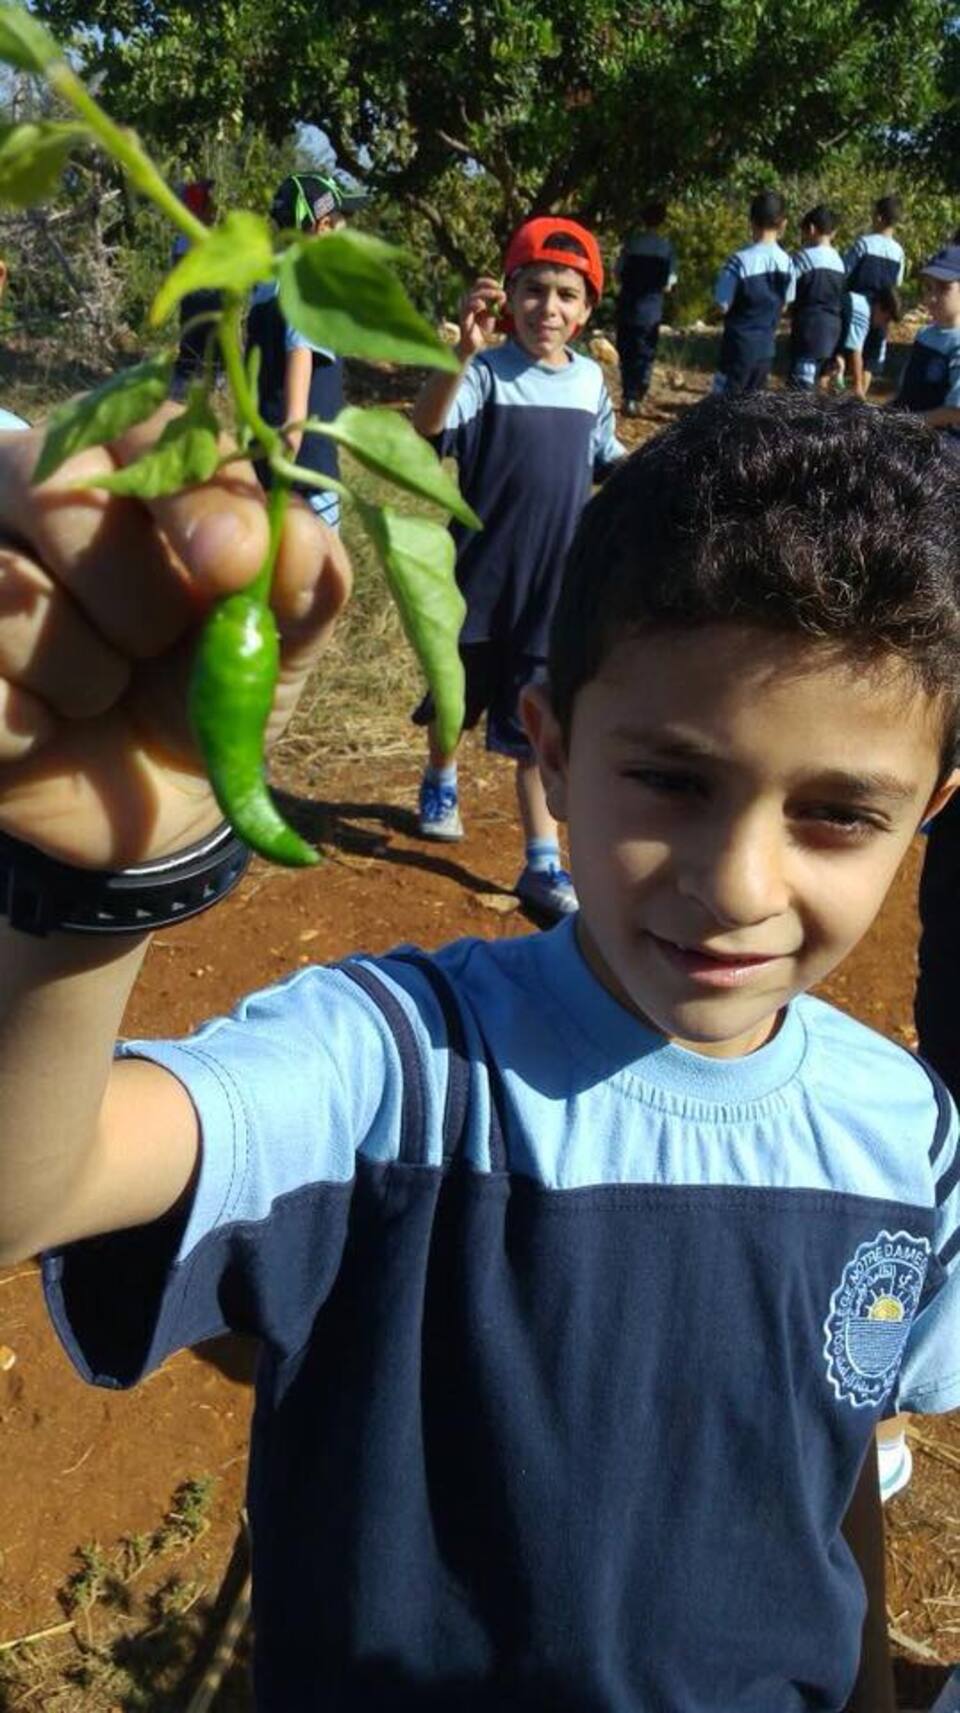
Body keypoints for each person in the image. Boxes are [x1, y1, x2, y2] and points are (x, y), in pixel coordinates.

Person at [2, 393, 960, 1711]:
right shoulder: (396, 1066)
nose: (739, 885)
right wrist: (89, 881)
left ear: (929, 812)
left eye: (840, 814)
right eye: (673, 779)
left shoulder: (903, 1124)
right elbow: (32, 1186)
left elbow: (845, 1449)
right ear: (553, 754)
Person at [410, 215, 625, 920]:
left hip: (552, 588)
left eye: (568, 294)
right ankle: (441, 772)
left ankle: (541, 861)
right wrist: (461, 356)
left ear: (588, 307)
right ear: (506, 295)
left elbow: (604, 456)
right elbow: (428, 429)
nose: (550, 309)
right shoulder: (487, 375)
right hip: (477, 577)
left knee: (541, 724)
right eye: (535, 290)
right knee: (454, 699)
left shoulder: (591, 380)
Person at [246, 171, 366, 532]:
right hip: (305, 473)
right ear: (324, 227)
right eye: (344, 224)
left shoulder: (267, 286)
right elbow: (299, 368)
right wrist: (289, 454)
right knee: (317, 581)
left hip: (263, 460)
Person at [712, 189, 794, 397]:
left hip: (737, 348)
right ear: (783, 223)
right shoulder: (788, 263)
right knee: (752, 408)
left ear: (751, 221)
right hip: (766, 348)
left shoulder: (738, 261)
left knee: (723, 408)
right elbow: (786, 304)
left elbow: (722, 304)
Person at [892, 243, 960, 455]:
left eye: (944, 288)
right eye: (929, 288)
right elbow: (907, 385)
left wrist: (911, 421)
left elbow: (956, 411)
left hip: (941, 451)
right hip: (908, 439)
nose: (932, 297)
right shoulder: (924, 334)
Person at [613, 199, 677, 416]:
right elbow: (669, 283)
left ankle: (627, 394)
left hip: (628, 304)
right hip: (651, 309)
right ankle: (638, 394)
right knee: (645, 352)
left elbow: (617, 273)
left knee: (626, 350)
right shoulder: (666, 248)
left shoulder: (631, 244)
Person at [843, 195, 906, 394]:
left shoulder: (863, 243)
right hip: (884, 310)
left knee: (855, 349)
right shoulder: (898, 251)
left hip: (858, 305)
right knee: (872, 356)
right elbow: (897, 283)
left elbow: (845, 271)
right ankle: (862, 395)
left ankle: (855, 393)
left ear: (878, 217)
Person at [169, 179, 223, 400]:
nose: (214, 209)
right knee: (199, 335)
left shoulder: (183, 240)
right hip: (201, 304)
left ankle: (199, 377)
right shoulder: (195, 239)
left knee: (201, 336)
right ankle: (192, 380)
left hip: (199, 306)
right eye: (209, 204)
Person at [788, 204, 846, 390]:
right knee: (821, 382)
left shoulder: (802, 257)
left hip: (808, 329)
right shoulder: (840, 261)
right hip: (833, 329)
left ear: (811, 229)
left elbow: (789, 293)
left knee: (801, 387)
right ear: (834, 233)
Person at [835, 285, 902, 398]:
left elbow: (870, 365)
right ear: (878, 306)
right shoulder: (861, 308)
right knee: (834, 368)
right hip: (826, 333)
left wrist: (861, 396)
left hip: (839, 340)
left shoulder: (879, 329)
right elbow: (855, 352)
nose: (885, 325)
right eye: (886, 319)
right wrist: (858, 389)